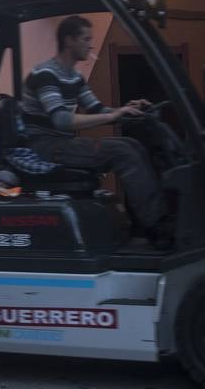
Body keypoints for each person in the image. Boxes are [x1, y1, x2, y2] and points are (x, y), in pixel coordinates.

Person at [18, 15, 170, 242]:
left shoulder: (75, 77)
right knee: (123, 151)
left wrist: (126, 109)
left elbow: (97, 109)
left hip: (61, 144)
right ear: (69, 40)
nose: (90, 45)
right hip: (45, 147)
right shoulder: (45, 74)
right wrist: (113, 115)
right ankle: (156, 226)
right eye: (86, 39)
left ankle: (146, 222)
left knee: (133, 144)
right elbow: (61, 120)